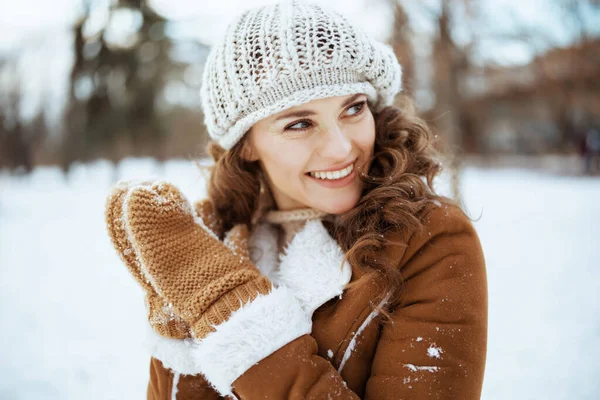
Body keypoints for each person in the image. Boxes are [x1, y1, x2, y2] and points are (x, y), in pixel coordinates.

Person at [104, 1, 488, 398]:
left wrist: (228, 305)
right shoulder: (217, 245)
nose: (341, 149)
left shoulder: (427, 239)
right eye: (300, 123)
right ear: (247, 143)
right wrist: (180, 299)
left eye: (353, 109)